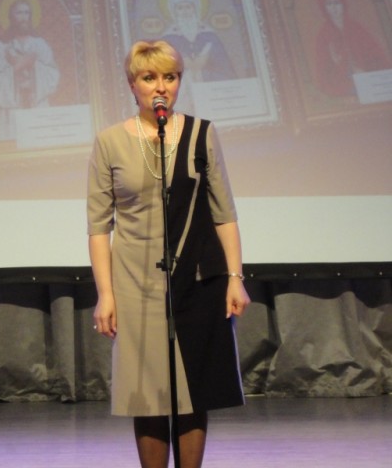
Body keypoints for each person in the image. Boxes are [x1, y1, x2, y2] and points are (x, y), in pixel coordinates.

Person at [87, 40, 250, 468]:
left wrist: (235, 278)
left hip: (196, 278)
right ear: (132, 84)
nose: (161, 87)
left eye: (170, 77)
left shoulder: (200, 133)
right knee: (149, 393)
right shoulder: (109, 142)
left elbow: (224, 213)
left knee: (194, 389)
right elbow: (99, 226)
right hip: (134, 283)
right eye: (149, 78)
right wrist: (106, 294)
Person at [0, 0, 60, 141]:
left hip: (37, 105)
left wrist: (33, 65)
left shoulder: (40, 44)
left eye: (26, 13)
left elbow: (52, 73)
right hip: (11, 108)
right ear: (11, 17)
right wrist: (18, 67)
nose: (24, 17)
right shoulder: (0, 46)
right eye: (19, 13)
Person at [313, 0, 391, 98]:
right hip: (342, 82)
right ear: (324, 8)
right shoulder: (323, 35)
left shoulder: (356, 28)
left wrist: (365, 70)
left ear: (343, 4)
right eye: (329, 4)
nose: (334, 8)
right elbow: (323, 70)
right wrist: (340, 65)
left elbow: (376, 54)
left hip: (367, 77)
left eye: (337, 3)